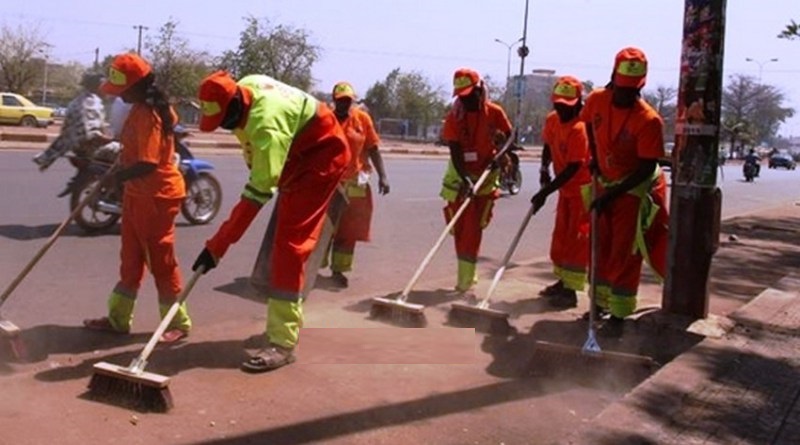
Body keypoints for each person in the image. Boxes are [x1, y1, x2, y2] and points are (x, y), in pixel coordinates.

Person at [191, 71, 349, 372]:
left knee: (290, 248)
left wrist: (217, 246)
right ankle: (283, 318)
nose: (226, 127)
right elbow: (256, 159)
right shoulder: (245, 87)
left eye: (226, 120)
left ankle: (283, 343)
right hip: (296, 153)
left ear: (236, 105)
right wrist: (267, 172)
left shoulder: (267, 127)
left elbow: (256, 196)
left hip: (322, 158)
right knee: (282, 242)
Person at [83, 53, 190, 344]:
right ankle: (118, 319)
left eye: (122, 90)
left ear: (137, 86)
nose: (119, 96)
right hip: (137, 194)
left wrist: (118, 177)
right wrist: (115, 156)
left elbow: (148, 162)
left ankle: (177, 321)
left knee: (161, 261)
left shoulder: (148, 114)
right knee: (130, 258)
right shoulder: (138, 109)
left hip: (157, 196)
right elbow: (135, 151)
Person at [579, 47, 670, 337]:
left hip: (634, 188)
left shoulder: (649, 120)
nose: (625, 95)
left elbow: (647, 166)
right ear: (612, 78)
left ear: (640, 86)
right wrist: (594, 161)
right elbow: (591, 133)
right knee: (599, 245)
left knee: (625, 250)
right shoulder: (596, 101)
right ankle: (598, 304)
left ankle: (618, 314)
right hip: (604, 181)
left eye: (632, 90)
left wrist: (613, 193)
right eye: (621, 88)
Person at [440, 68, 512, 294]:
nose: (465, 99)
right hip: (460, 178)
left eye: (470, 94)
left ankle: (464, 281)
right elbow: (455, 152)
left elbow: (510, 136)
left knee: (472, 229)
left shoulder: (494, 112)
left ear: (480, 90)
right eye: (461, 95)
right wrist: (466, 180)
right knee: (460, 229)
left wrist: (499, 155)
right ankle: (468, 276)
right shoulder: (454, 117)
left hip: (485, 177)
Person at [530, 75, 592, 309]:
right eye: (558, 104)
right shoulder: (552, 120)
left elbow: (574, 168)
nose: (562, 109)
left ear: (578, 103)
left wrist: (546, 191)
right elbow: (547, 145)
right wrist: (544, 168)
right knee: (561, 238)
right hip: (565, 190)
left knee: (576, 241)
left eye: (567, 105)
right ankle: (563, 281)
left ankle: (570, 292)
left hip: (582, 191)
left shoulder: (580, 128)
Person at [323, 82, 390, 288]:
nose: (344, 104)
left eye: (348, 100)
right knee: (324, 228)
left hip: (355, 184)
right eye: (340, 100)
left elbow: (373, 148)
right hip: (329, 184)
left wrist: (383, 176)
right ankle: (312, 266)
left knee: (348, 230)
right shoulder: (325, 119)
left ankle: (338, 271)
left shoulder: (362, 119)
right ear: (334, 100)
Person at [32, 71, 109, 195]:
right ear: (98, 86)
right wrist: (111, 139)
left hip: (76, 146)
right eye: (104, 85)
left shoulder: (78, 100)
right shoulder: (92, 102)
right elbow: (92, 132)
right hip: (89, 146)